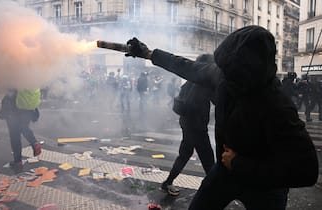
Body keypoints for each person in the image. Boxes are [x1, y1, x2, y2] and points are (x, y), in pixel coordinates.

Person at [125, 25, 319, 209]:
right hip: (225, 172)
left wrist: (239, 164)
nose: (224, 76)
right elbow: (186, 66)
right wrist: (149, 53)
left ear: (248, 72)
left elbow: (307, 170)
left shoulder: (278, 106)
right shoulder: (223, 74)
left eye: (231, 72)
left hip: (265, 188)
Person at [160, 54, 215, 196]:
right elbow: (211, 101)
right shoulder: (202, 84)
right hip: (197, 128)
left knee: (184, 155)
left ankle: (167, 182)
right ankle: (214, 193)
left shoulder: (189, 82)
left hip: (187, 124)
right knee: (209, 162)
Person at [0, 89, 42, 167]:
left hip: (13, 111)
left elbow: (8, 97)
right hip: (27, 110)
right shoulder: (29, 83)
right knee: (24, 127)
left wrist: (2, 112)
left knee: (15, 136)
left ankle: (18, 161)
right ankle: (34, 142)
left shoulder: (14, 83)